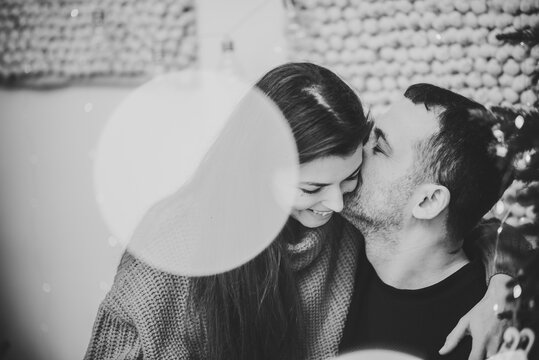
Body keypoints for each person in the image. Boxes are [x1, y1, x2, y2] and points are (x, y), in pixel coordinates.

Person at [85, 67, 524, 360]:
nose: (336, 200)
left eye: (377, 150)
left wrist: (509, 289)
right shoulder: (182, 250)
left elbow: (491, 230)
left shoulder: (483, 325)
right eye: (313, 187)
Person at [339, 84, 531, 360]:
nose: (357, 149)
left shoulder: (487, 337)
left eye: (379, 147)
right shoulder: (338, 242)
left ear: (428, 202)